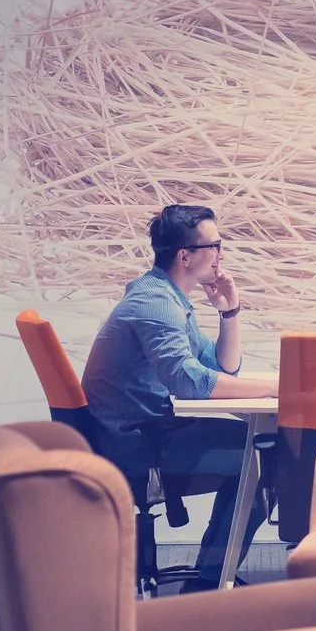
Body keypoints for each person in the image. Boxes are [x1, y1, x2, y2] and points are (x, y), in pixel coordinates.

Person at [81, 204, 277, 587]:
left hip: (147, 431)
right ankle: (210, 581)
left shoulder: (166, 297)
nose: (222, 254)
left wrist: (229, 311)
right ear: (185, 256)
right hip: (135, 445)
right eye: (215, 245)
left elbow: (222, 369)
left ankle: (211, 575)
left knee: (260, 446)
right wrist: (273, 388)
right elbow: (189, 384)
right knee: (261, 457)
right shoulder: (155, 304)